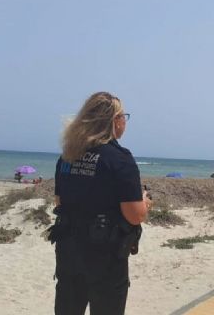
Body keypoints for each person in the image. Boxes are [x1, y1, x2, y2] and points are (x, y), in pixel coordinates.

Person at [50, 91, 151, 315]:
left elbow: (60, 201)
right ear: (114, 122)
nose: (125, 121)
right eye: (123, 116)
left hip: (69, 251)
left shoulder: (68, 156)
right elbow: (134, 215)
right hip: (104, 254)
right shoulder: (119, 159)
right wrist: (144, 202)